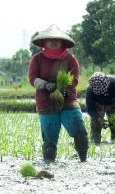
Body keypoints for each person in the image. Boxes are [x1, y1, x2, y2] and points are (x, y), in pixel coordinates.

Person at [28, 24, 88, 162]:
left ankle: (83, 159)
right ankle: (49, 161)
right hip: (45, 100)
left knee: (79, 129)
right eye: (50, 40)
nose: (53, 42)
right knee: (49, 135)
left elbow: (74, 80)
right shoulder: (37, 59)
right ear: (44, 42)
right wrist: (46, 85)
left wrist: (61, 90)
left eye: (57, 40)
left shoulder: (70, 59)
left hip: (67, 99)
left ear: (62, 43)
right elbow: (32, 78)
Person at [86, 72, 115, 143]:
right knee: (96, 122)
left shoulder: (113, 83)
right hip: (98, 105)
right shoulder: (90, 90)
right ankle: (95, 140)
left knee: (114, 122)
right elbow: (90, 109)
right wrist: (98, 118)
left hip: (113, 102)